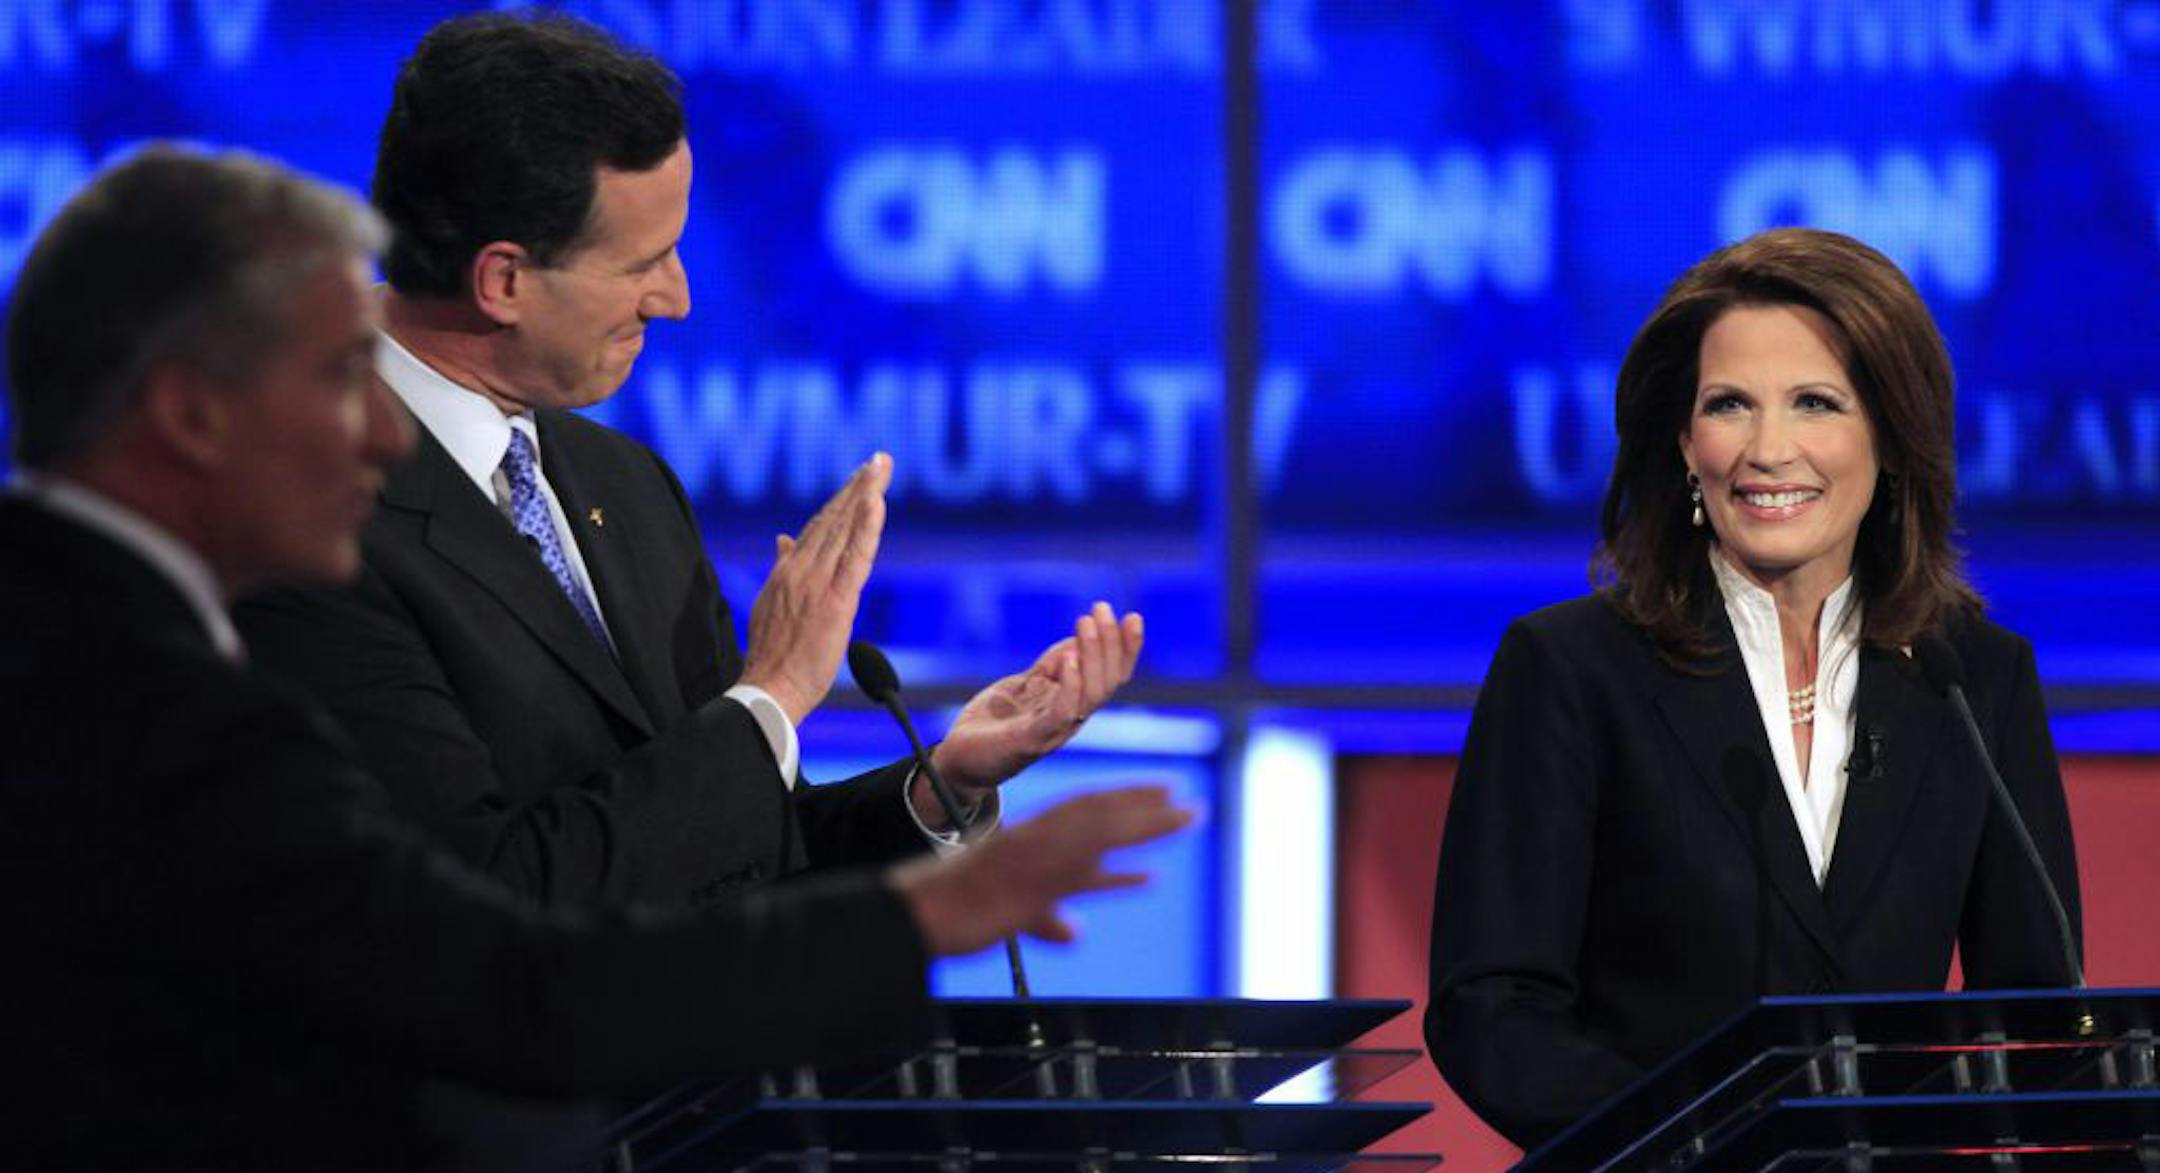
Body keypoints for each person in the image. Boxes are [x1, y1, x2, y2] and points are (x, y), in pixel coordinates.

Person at [0, 146, 1188, 1172]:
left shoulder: (616, 492)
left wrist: (938, 800)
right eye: (332, 378)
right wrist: (913, 896)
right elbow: (498, 971)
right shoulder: (133, 695)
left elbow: (711, 865)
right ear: (192, 414)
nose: (376, 429)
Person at [232, 8, 1142, 911]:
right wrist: (776, 690)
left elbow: (731, 855)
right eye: (645, 264)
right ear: (503, 281)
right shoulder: (295, 521)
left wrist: (941, 783)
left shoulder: (625, 489)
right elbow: (486, 898)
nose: (677, 300)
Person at [1424, 227, 2082, 1150]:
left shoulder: (1973, 679)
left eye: (1816, 403)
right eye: (1731, 404)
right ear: (1686, 442)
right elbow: (1492, 1008)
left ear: (1893, 437)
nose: (1769, 449)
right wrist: (1700, 1140)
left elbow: (2037, 1007)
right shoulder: (1571, 668)